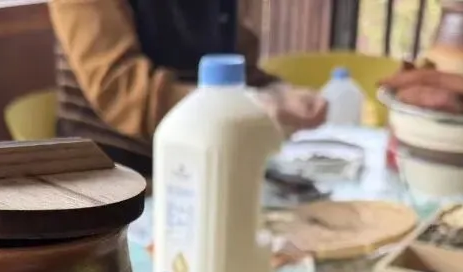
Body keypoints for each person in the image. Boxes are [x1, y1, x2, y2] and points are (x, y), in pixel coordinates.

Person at [50, 0, 328, 176]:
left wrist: (279, 92)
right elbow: (121, 92)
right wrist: (245, 103)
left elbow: (236, 65)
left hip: (208, 165)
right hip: (114, 181)